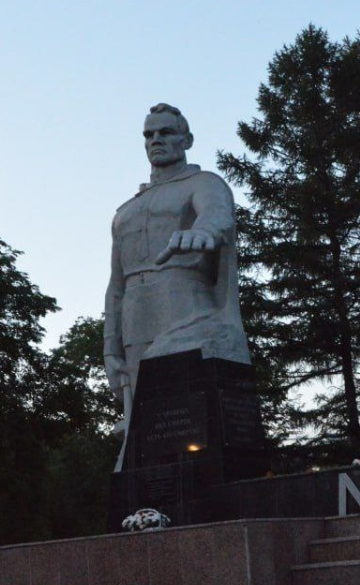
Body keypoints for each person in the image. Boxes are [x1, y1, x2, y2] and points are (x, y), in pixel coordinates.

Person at [103, 102, 251, 456]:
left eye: (166, 132)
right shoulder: (125, 210)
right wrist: (110, 347)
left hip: (184, 300)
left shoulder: (203, 183)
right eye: (149, 134)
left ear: (187, 139)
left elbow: (217, 215)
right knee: (144, 426)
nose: (156, 139)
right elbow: (115, 285)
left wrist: (202, 232)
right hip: (137, 313)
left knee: (188, 407)